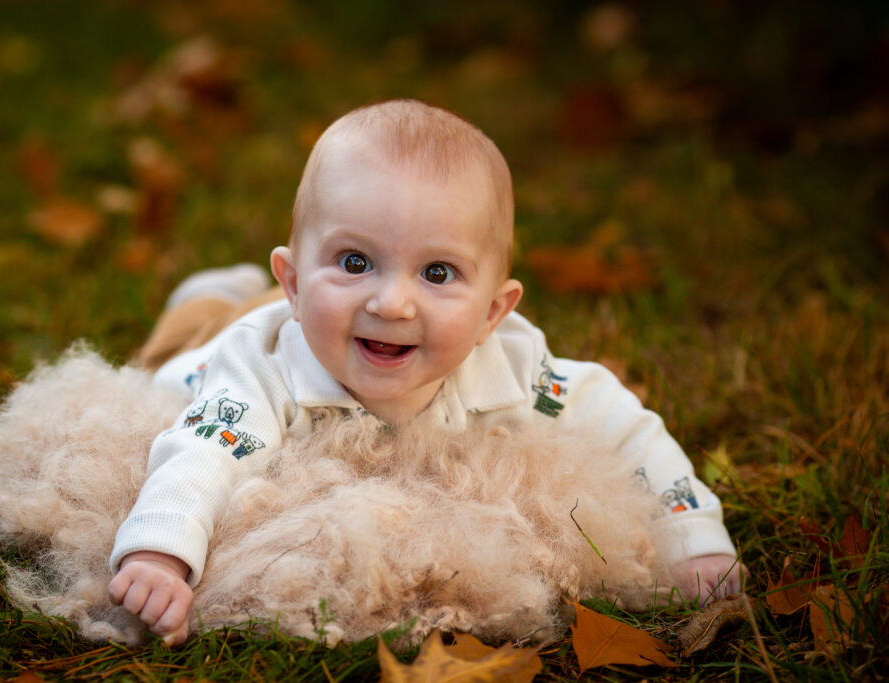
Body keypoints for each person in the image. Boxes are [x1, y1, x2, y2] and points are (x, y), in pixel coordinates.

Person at [107, 99, 745, 646]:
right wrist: (159, 555)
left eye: (437, 273)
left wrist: (693, 538)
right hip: (209, 352)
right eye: (355, 261)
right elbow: (202, 453)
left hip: (316, 314)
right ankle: (210, 293)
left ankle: (240, 285)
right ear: (295, 283)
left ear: (493, 313)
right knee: (180, 339)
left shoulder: (516, 368)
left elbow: (625, 429)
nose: (392, 304)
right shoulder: (262, 368)